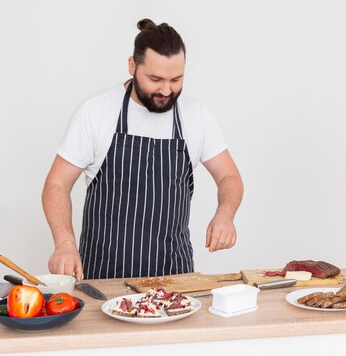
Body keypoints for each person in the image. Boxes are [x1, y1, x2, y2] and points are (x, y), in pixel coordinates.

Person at [42, 19, 243, 279]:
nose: (166, 90)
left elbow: (230, 176)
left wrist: (225, 214)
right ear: (132, 66)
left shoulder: (197, 115)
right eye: (155, 79)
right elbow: (56, 184)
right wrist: (65, 244)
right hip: (106, 280)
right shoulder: (96, 112)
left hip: (175, 281)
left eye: (176, 79)